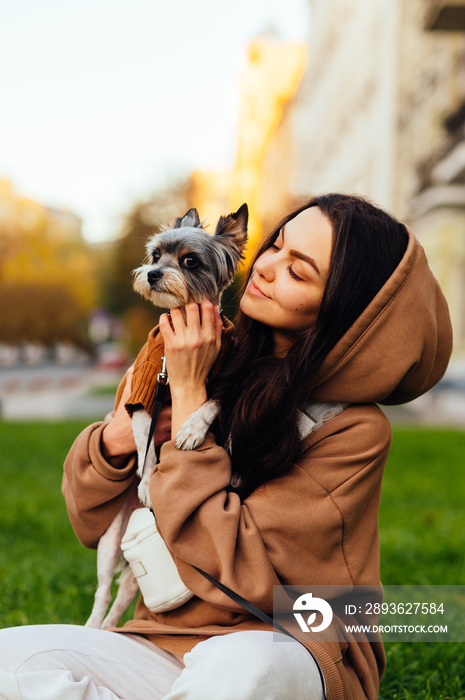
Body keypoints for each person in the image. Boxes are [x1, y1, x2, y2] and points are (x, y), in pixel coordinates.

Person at [0, 194, 452, 700]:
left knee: (244, 669)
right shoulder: (203, 355)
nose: (265, 267)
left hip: (288, 643)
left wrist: (194, 397)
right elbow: (88, 521)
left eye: (298, 272)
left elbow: (244, 577)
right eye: (274, 246)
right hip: (163, 643)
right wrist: (120, 435)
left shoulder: (352, 430)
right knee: (8, 663)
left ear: (344, 309)